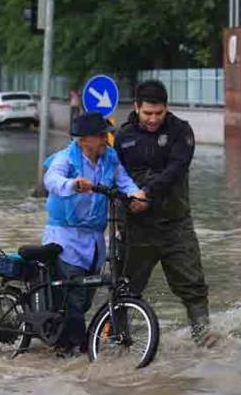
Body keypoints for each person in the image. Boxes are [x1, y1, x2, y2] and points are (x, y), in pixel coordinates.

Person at [114, 80, 216, 347]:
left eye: (158, 113)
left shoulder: (181, 132)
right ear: (136, 107)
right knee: (124, 287)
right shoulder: (123, 137)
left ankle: (203, 337)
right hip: (135, 227)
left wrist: (147, 193)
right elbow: (114, 175)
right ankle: (120, 340)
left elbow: (176, 170)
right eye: (147, 113)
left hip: (175, 225)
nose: (153, 119)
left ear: (166, 108)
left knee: (193, 285)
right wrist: (128, 203)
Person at [43, 110, 147, 354]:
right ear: (84, 140)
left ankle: (71, 343)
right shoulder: (66, 158)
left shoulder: (110, 158)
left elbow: (124, 182)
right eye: (101, 136)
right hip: (65, 236)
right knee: (74, 299)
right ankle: (77, 349)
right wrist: (73, 184)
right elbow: (52, 179)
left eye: (106, 135)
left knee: (86, 297)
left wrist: (137, 195)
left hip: (95, 239)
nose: (106, 139)